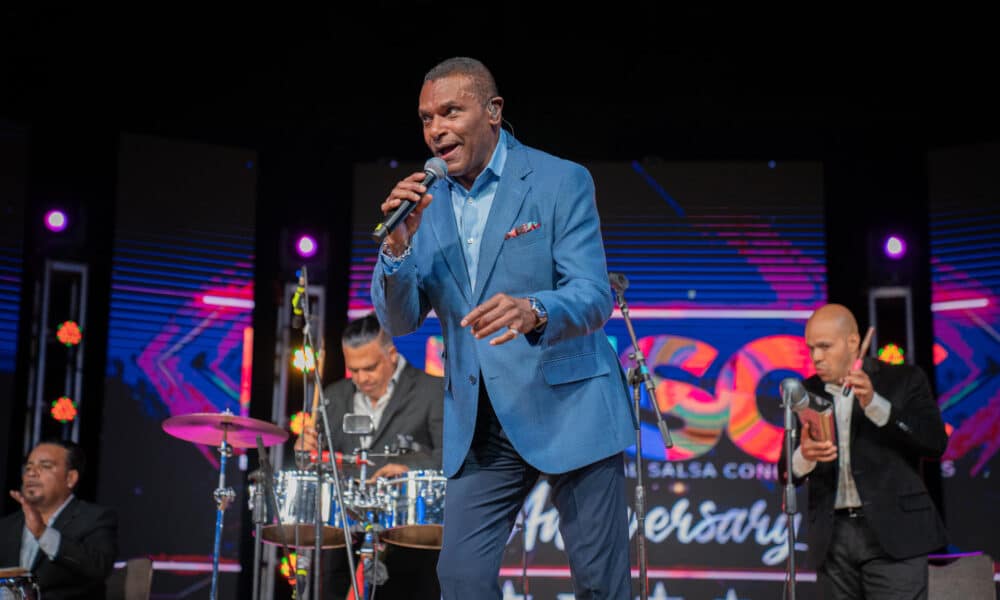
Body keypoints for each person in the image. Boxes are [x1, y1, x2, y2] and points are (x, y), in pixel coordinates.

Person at [371, 56, 637, 599]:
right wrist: (396, 248)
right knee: (461, 580)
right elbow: (398, 321)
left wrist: (534, 309)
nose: (436, 129)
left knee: (600, 586)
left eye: (451, 111)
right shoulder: (425, 202)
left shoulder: (560, 181)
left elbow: (592, 294)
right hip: (480, 422)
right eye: (426, 118)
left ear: (492, 112)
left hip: (571, 404)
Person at [779, 304, 948, 599]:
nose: (816, 357)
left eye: (825, 346)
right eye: (811, 348)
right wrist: (804, 455)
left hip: (894, 531)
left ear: (853, 342)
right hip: (832, 538)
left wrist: (876, 404)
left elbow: (935, 443)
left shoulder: (903, 380)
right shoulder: (804, 392)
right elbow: (785, 472)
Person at [297, 313, 444, 600]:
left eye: (370, 368)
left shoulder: (431, 391)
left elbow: (449, 458)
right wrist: (305, 451)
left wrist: (406, 469)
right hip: (344, 541)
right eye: (354, 370)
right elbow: (316, 464)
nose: (362, 378)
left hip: (408, 541)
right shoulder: (334, 396)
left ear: (391, 353)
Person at [0, 439, 118, 599]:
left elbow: (98, 568)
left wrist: (42, 533)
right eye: (28, 467)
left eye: (45, 466)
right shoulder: (7, 525)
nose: (31, 473)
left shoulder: (95, 518)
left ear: (70, 478)